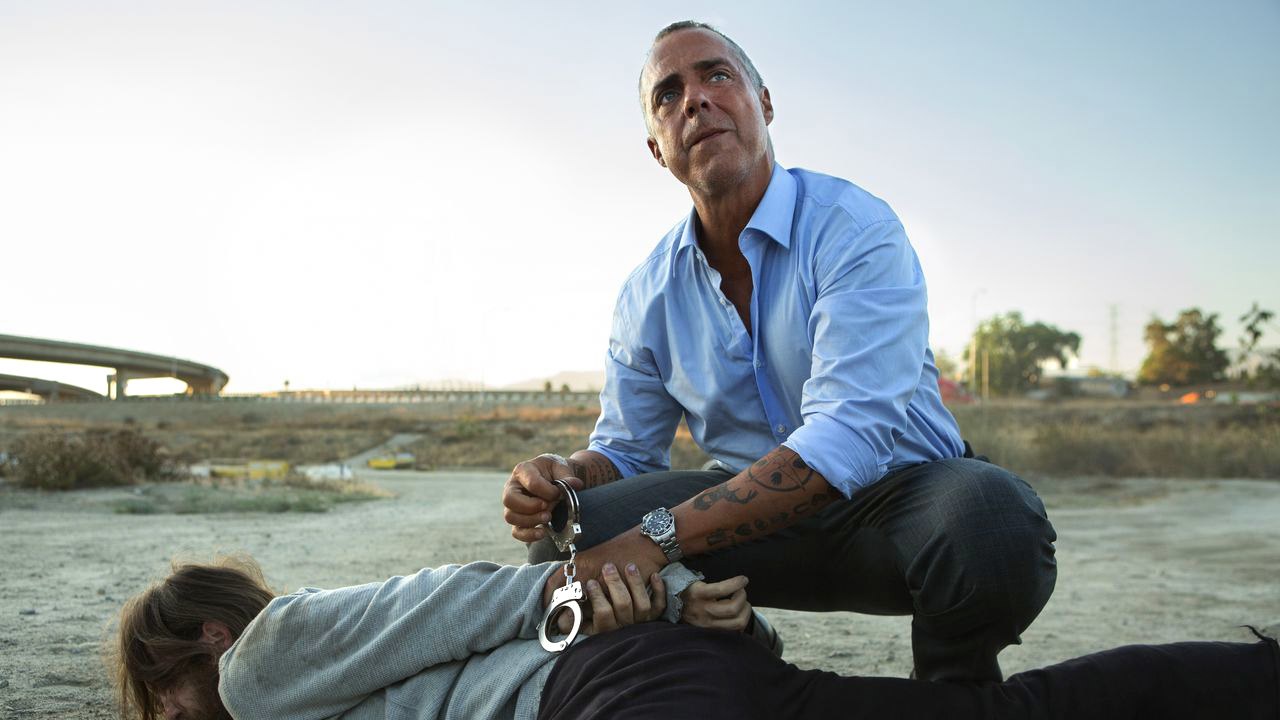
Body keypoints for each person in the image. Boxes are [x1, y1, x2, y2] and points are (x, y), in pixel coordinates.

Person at [502, 20, 1057, 682]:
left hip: (901, 504)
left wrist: (653, 540)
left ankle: (949, 693)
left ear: (763, 103)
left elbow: (846, 438)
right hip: (751, 526)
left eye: (717, 75)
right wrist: (567, 474)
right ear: (657, 148)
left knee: (992, 525)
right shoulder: (647, 294)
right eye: (668, 95)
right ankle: (732, 647)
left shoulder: (852, 228)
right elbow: (627, 452)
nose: (695, 100)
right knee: (568, 539)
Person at [113, 557, 1280, 720]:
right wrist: (701, 613)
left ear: (203, 640)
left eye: (152, 695)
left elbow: (470, 597)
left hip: (608, 692)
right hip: (666, 677)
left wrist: (649, 591)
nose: (160, 718)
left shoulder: (258, 669)